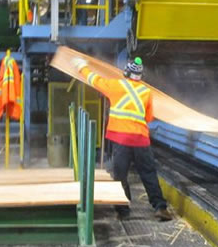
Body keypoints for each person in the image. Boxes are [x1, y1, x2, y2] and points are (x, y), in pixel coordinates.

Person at [71, 56, 173, 221]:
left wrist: (81, 66)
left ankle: (123, 210)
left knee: (120, 175)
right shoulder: (146, 92)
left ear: (126, 72)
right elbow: (148, 118)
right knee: (148, 173)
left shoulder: (115, 86)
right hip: (141, 139)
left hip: (121, 139)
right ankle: (160, 207)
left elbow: (94, 80)